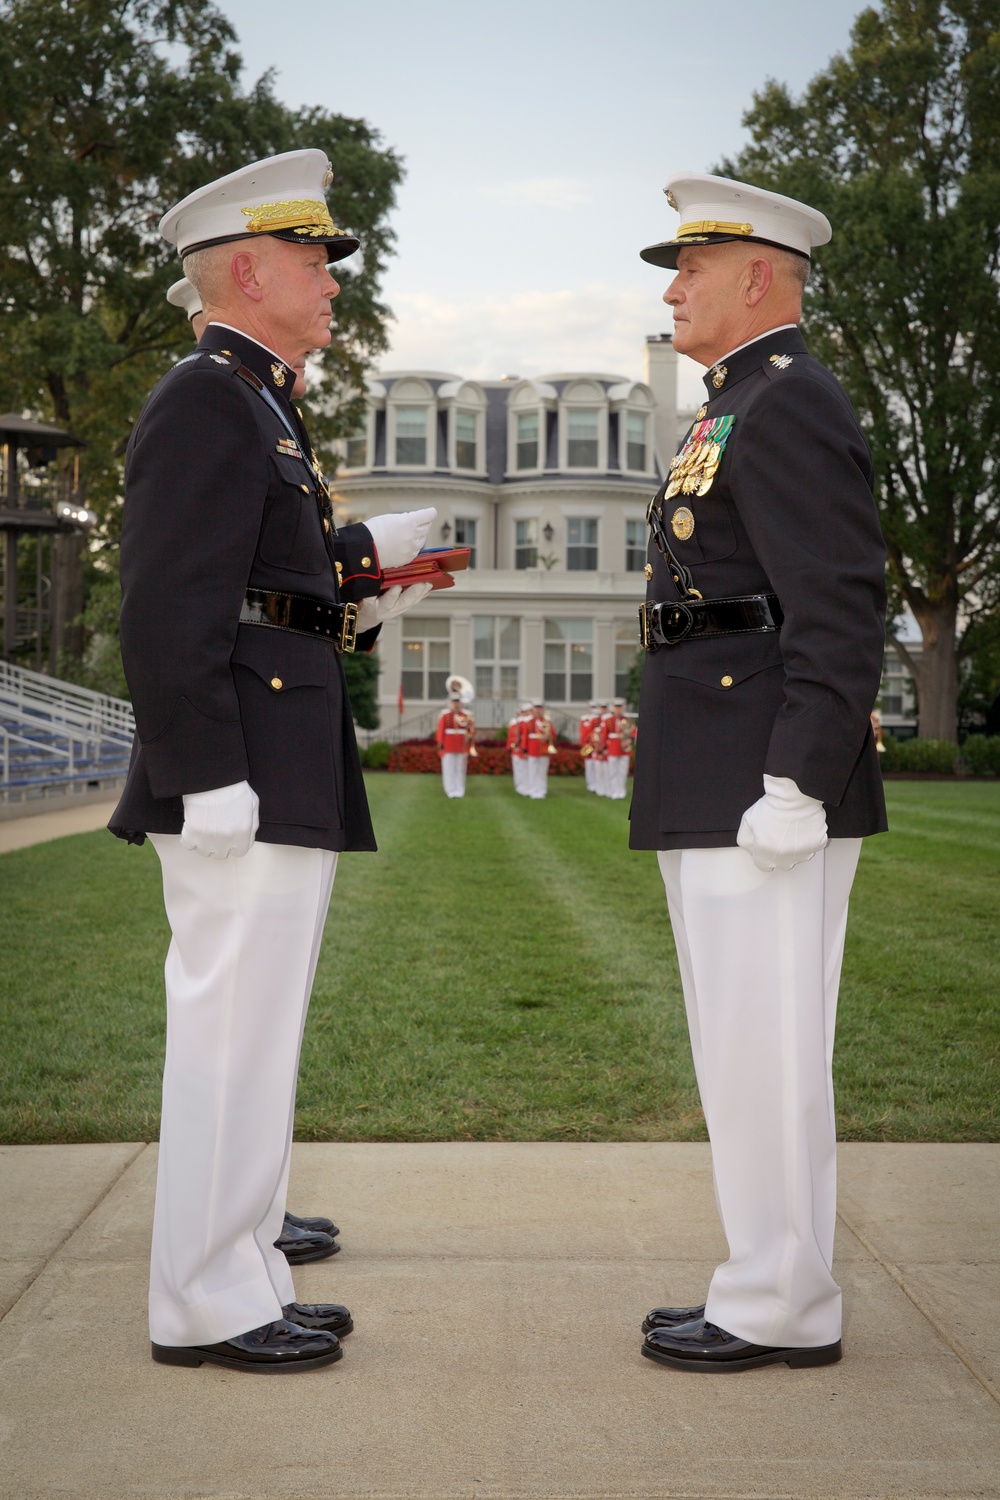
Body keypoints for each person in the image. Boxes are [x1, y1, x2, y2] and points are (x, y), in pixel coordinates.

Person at [110, 149, 437, 1374]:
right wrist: (204, 774)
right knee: (228, 1035)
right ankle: (200, 1299)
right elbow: (166, 604)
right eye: (314, 261)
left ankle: (241, 1269)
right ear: (246, 271)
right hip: (237, 768)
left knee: (257, 1038)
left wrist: (355, 569)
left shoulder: (260, 398)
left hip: (274, 754)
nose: (334, 283)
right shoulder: (209, 394)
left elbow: (262, 591)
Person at [630, 173, 887, 1373]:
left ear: (758, 277)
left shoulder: (786, 404)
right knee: (738, 1048)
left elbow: (835, 605)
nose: (672, 288)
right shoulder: (730, 407)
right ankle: (762, 1284)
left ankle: (781, 1303)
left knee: (767, 1048)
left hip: (759, 772)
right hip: (714, 757)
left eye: (689, 268)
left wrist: (796, 781)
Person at [435, 678, 475, 797]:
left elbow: (470, 729)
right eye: (454, 702)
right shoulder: (445, 715)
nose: (456, 704)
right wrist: (440, 744)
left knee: (460, 769)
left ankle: (459, 790)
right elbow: (441, 731)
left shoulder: (466, 716)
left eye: (457, 702)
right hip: (448, 745)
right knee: (448, 769)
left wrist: (470, 738)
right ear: (450, 702)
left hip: (461, 745)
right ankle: (450, 790)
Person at [525, 700, 555, 799]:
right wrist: (524, 749)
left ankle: (541, 790)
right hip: (532, 748)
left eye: (540, 708)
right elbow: (525, 736)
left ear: (542, 709)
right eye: (536, 708)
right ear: (533, 709)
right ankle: (532, 790)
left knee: (542, 771)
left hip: (543, 749)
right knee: (532, 771)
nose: (538, 710)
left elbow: (553, 734)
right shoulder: (529, 721)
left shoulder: (546, 721)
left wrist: (547, 736)